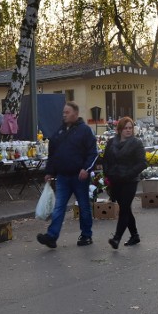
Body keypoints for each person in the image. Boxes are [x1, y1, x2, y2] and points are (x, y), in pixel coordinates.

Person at [37, 102, 99, 248]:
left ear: (75, 114)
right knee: (59, 207)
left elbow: (93, 153)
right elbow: (53, 154)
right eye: (63, 112)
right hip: (63, 177)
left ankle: (86, 235)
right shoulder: (59, 132)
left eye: (67, 112)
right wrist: (49, 172)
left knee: (83, 206)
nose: (64, 114)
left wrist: (86, 169)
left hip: (79, 176)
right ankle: (51, 236)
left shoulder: (85, 131)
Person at [102, 117, 146, 248]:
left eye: (130, 128)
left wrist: (129, 173)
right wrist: (107, 173)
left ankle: (116, 238)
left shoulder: (136, 143)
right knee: (126, 209)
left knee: (124, 209)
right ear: (120, 129)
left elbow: (142, 163)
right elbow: (106, 159)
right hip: (115, 180)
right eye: (125, 128)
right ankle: (135, 235)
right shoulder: (111, 142)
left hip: (130, 180)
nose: (128, 130)